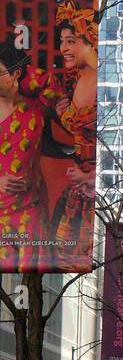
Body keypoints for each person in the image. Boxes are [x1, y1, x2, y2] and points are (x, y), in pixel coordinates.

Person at [0, 41, 58, 269]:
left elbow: (51, 84)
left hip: (30, 218)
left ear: (16, 73)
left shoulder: (35, 108)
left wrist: (22, 80)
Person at [50, 0, 98, 270]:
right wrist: (63, 115)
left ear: (89, 40)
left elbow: (112, 149)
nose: (63, 48)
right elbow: (84, 137)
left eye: (70, 40)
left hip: (92, 196)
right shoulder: (79, 78)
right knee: (63, 255)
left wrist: (90, 177)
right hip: (76, 195)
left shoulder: (99, 81)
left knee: (72, 257)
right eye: (61, 41)